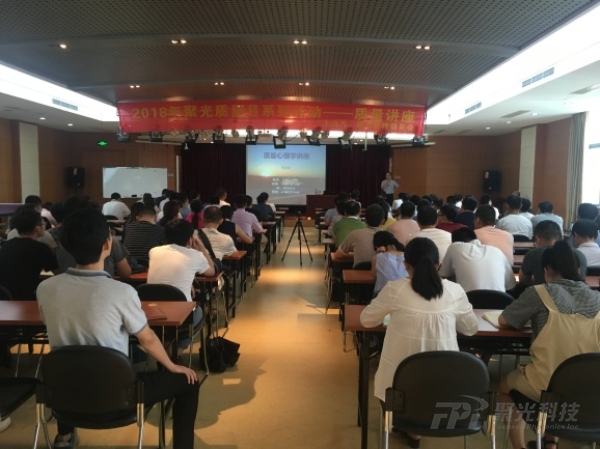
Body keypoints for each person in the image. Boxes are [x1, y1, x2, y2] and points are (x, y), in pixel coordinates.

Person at [37, 209, 199, 449]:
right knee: (189, 383)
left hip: (64, 398)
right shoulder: (122, 292)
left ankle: (65, 437)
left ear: (65, 245)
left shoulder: (45, 289)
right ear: (107, 245)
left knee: (70, 359)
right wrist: (172, 365)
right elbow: (148, 339)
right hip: (119, 398)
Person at [360, 238, 478, 447]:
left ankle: (411, 427)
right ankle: (417, 429)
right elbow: (470, 329)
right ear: (438, 264)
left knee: (400, 375)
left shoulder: (395, 289)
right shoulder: (454, 291)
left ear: (406, 265)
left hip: (399, 392)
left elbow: (366, 320)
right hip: (447, 391)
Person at [499, 241, 600, 449]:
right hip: (589, 389)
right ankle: (550, 442)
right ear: (578, 270)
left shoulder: (539, 293)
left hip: (544, 386)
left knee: (504, 387)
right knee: (561, 386)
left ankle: (519, 446)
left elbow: (504, 320)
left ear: (546, 271)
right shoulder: (597, 299)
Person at [147, 219, 216, 350]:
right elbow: (211, 271)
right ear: (190, 239)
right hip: (182, 316)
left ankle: (164, 349)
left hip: (152, 314)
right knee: (199, 311)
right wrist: (201, 247)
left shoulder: (153, 251)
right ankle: (176, 352)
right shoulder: (195, 255)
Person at [0, 208, 58, 299]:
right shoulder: (41, 248)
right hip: (25, 297)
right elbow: (57, 273)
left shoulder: (7, 245)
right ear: (37, 228)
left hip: (5, 297)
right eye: (43, 223)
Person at [439, 227, 516, 292]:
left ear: (454, 242)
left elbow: (443, 276)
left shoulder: (455, 247)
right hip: (500, 302)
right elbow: (511, 286)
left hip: (468, 302)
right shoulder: (497, 251)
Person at [519, 220, 586, 285]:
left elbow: (523, 280)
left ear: (538, 239)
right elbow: (581, 281)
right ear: (562, 238)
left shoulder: (533, 255)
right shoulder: (579, 255)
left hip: (542, 292)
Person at [370, 231, 408, 295]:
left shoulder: (377, 257)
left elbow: (373, 275)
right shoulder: (406, 255)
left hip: (383, 293)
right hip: (404, 292)